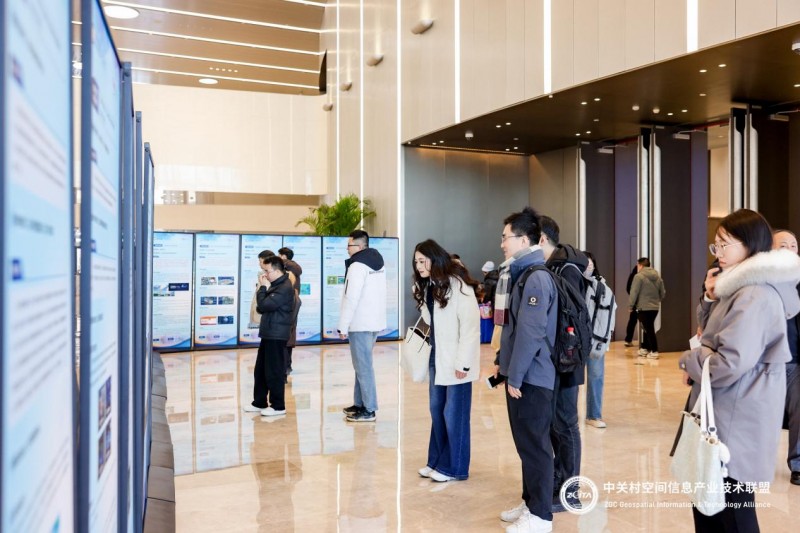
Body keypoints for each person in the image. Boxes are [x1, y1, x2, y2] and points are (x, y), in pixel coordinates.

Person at [679, 209, 800, 531]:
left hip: (736, 415)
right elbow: (712, 334)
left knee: (730, 511)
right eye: (716, 244)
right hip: (730, 410)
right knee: (713, 506)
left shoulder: (754, 294)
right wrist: (710, 297)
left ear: (749, 245)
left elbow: (730, 361)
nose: (718, 252)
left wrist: (690, 359)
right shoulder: (740, 287)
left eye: (725, 244)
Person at [494, 207, 557, 533]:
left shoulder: (536, 278)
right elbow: (514, 330)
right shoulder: (520, 273)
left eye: (506, 237)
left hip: (533, 377)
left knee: (535, 446)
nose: (502, 243)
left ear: (524, 240)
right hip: (521, 374)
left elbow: (531, 334)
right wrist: (503, 362)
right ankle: (530, 501)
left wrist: (515, 375)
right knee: (526, 444)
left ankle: (541, 515)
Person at [412, 239, 481, 482]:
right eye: (416, 262)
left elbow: (471, 329)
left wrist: (463, 363)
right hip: (437, 357)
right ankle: (437, 461)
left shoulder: (459, 286)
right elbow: (429, 321)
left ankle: (454, 467)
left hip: (457, 361)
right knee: (437, 410)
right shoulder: (431, 286)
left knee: (454, 414)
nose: (418, 266)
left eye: (423, 261)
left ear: (435, 259)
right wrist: (421, 292)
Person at [538, 215, 589, 513]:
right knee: (555, 425)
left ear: (541, 238)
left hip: (567, 360)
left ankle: (571, 492)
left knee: (566, 424)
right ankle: (557, 482)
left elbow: (569, 318)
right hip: (556, 359)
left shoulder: (566, 268)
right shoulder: (552, 266)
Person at [338, 230, 387, 422]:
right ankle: (359, 403)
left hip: (360, 323)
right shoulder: (378, 262)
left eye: (349, 245)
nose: (347, 249)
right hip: (374, 322)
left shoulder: (357, 266)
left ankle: (369, 409)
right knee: (362, 365)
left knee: (363, 366)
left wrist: (343, 325)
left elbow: (351, 297)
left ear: (358, 246)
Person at [243, 255, 296, 416]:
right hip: (268, 333)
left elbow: (264, 305)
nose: (264, 275)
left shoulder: (284, 287)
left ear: (277, 271)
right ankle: (259, 402)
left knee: (274, 371)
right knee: (260, 370)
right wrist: (264, 291)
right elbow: (262, 307)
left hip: (277, 335)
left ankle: (278, 405)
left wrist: (262, 288)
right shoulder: (275, 285)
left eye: (267, 271)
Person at [773, 229, 800, 486]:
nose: (790, 249)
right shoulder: (761, 280)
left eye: (793, 245)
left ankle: (798, 464)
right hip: (768, 359)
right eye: (783, 245)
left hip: (796, 358)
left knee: (799, 411)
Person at [582, 251, 616, 429]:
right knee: (569, 379)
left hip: (595, 340)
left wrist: (606, 339)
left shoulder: (602, 287)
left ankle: (594, 415)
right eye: (585, 263)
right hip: (574, 339)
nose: (588, 266)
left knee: (596, 377)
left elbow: (610, 314)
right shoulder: (572, 283)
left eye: (591, 263)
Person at [629, 257, 666, 359]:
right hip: (655, 308)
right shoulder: (657, 277)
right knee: (647, 327)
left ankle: (654, 350)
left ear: (640, 265)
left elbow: (634, 292)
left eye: (638, 265)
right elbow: (662, 293)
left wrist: (631, 305)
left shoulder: (638, 277)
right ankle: (644, 348)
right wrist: (656, 300)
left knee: (649, 328)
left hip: (643, 307)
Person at [279, 246, 303, 376]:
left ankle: (286, 365)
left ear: (283, 256)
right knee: (289, 334)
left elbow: (298, 270)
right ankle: (287, 365)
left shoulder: (289, 268)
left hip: (289, 305)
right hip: (291, 304)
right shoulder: (292, 268)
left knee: (287, 334)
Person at [623, 264, 639, 347]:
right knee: (645, 322)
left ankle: (628, 339)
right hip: (642, 302)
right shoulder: (640, 277)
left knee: (632, 321)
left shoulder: (632, 275)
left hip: (635, 302)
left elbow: (628, 288)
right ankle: (646, 343)